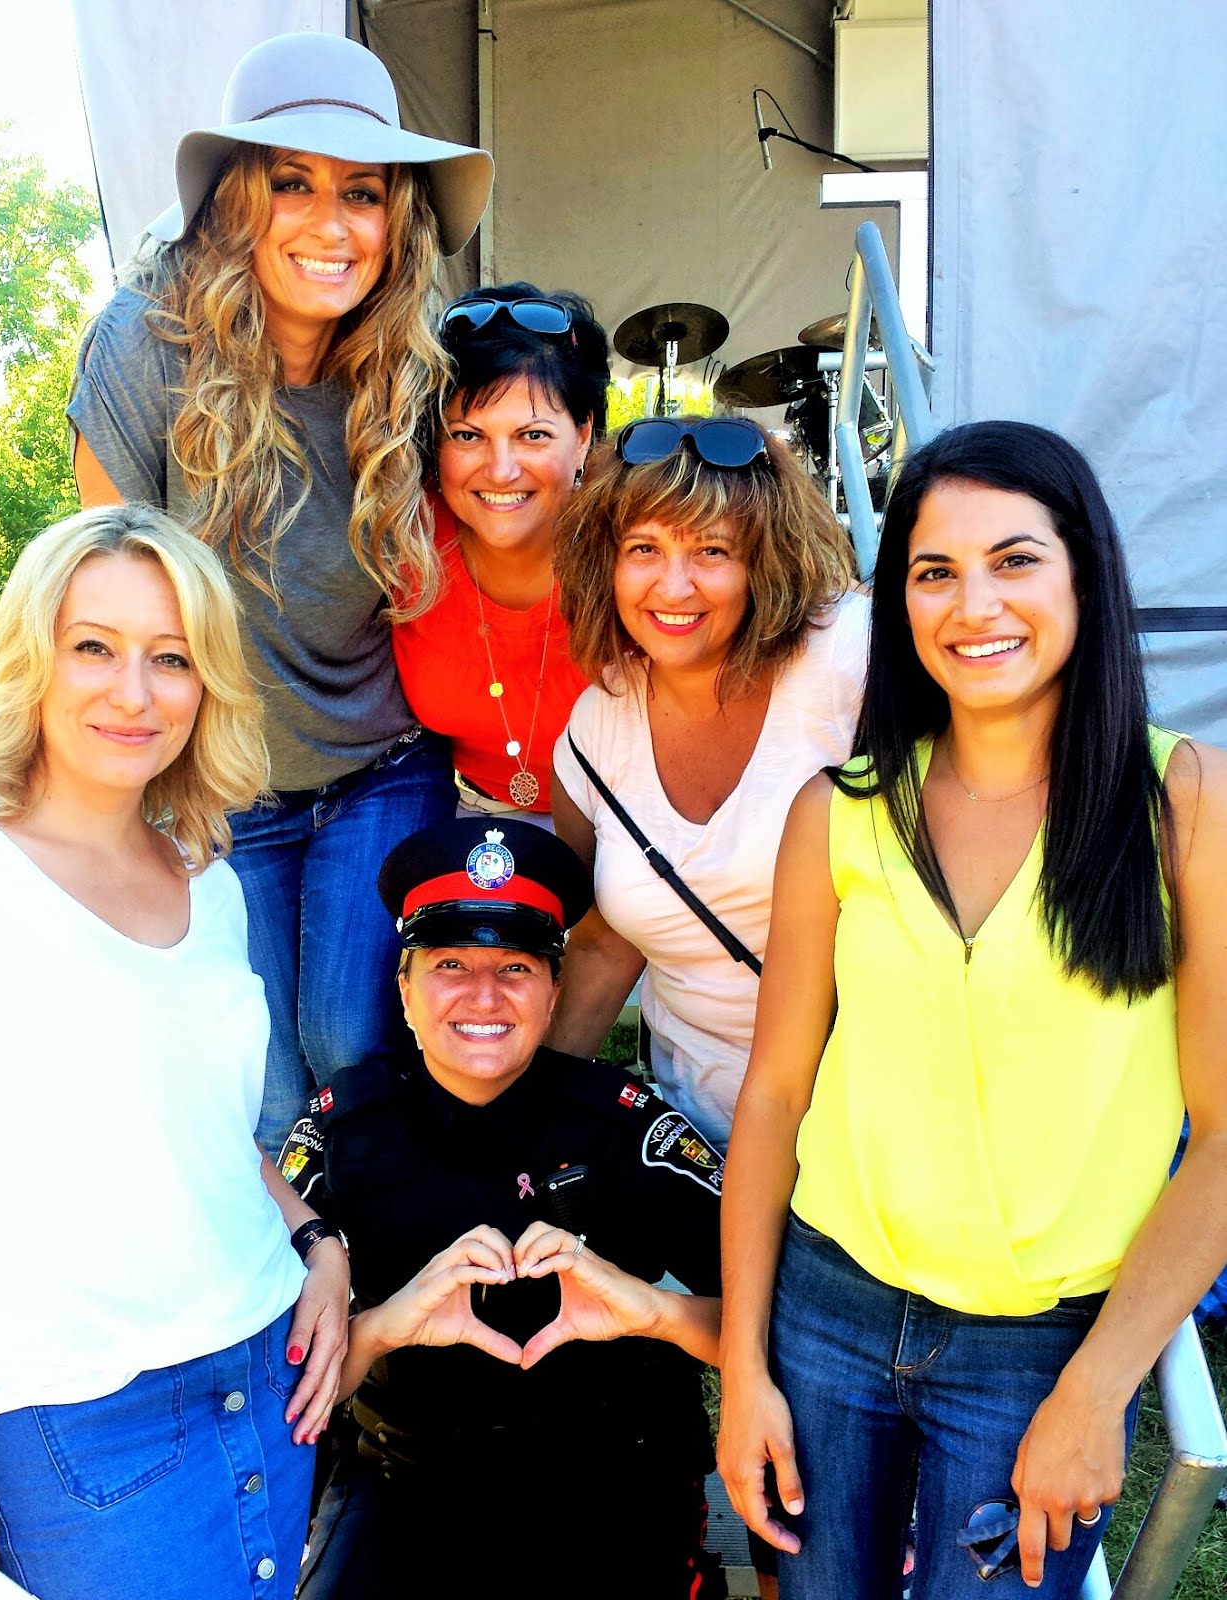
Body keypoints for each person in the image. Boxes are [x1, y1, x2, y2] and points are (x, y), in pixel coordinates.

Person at [717, 422, 1227, 1600]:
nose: (972, 603)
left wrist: (1101, 1387)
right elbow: (777, 1095)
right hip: (827, 1309)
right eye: (932, 571)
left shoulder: (1182, 805)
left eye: (1014, 560)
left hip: (1034, 1348)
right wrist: (743, 1362)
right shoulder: (838, 813)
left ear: (1082, 577)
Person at [0, 506, 351, 1600]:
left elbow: (214, 1136)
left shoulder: (210, 884)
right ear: (32, 655)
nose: (134, 693)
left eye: (170, 658)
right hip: (76, 1424)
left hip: (269, 1372)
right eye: (95, 646)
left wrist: (320, 1243)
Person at [67, 31, 495, 1153]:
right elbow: (99, 596)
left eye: (361, 193)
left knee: (351, 1043)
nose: (330, 223)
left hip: (377, 765)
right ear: (236, 203)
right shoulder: (143, 349)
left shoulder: (416, 368)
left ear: (395, 218)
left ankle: (382, 1289)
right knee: (260, 1085)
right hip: (218, 787)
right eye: (292, 184)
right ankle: (301, 1302)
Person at [277, 818, 730, 1600]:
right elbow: (274, 1385)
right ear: (404, 991)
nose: (482, 996)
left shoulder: (624, 1128)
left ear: (554, 992)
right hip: (409, 1476)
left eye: (515, 967)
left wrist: (650, 1313)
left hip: (613, 1475)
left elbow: (779, 1338)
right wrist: (387, 1324)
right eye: (449, 963)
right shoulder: (337, 1134)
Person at [547, 416, 865, 1151]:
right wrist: (523, 1117)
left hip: (864, 1129)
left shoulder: (848, 660)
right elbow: (602, 944)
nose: (674, 584)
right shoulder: (596, 728)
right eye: (643, 549)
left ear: (764, 560)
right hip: (700, 1131)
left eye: (711, 551)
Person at [391, 284, 610, 822]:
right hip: (463, 815)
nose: (502, 469)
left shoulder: (630, 544)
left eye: (533, 435)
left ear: (582, 436)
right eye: (468, 436)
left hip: (625, 830)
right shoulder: (403, 537)